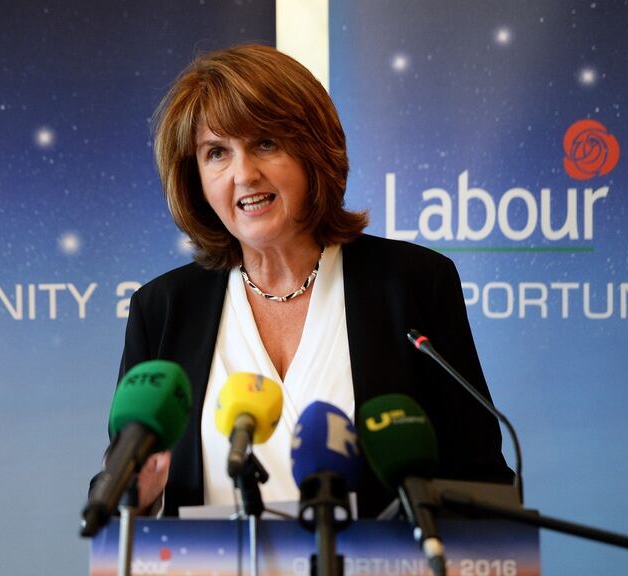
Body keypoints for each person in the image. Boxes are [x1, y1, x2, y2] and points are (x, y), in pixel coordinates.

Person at [119, 44, 513, 518]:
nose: (244, 173)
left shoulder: (412, 285)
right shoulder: (163, 309)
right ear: (195, 178)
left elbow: (480, 478)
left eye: (265, 143)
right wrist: (136, 494)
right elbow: (127, 484)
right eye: (217, 153)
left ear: (312, 151)